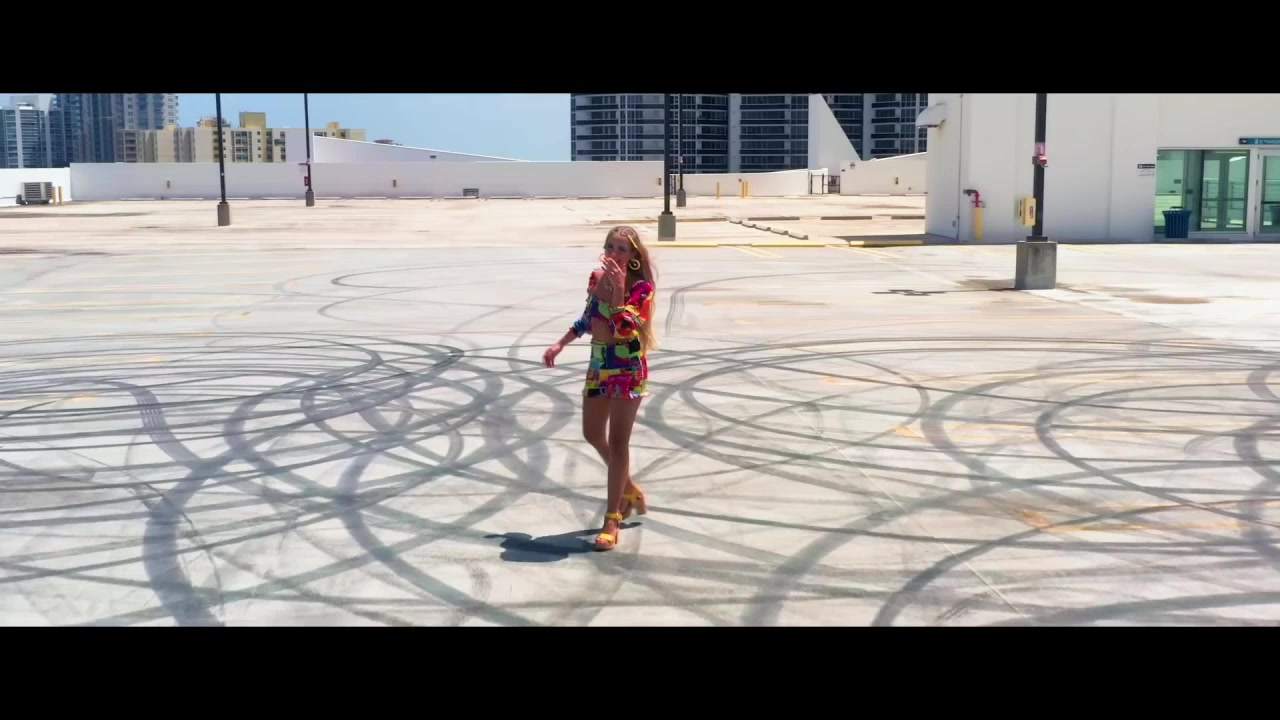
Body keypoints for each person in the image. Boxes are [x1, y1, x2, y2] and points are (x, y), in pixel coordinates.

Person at [543, 225, 657, 551]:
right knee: (592, 433)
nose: (614, 254)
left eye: (621, 249)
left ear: (633, 256)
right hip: (599, 365)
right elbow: (588, 318)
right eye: (610, 247)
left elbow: (624, 329)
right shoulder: (596, 279)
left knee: (619, 442)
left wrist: (619, 289)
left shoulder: (642, 288)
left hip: (627, 367)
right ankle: (629, 488)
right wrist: (560, 343)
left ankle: (612, 518)